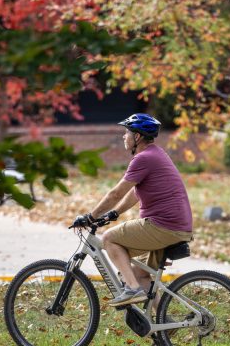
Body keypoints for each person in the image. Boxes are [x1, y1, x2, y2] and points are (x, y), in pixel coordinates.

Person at [77, 114, 193, 307]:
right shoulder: (156, 154)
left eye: (127, 132)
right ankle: (165, 326)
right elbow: (136, 192)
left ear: (137, 137)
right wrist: (115, 213)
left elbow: (115, 193)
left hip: (163, 226)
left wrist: (91, 216)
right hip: (175, 226)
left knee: (109, 239)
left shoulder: (144, 159)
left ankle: (132, 289)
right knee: (140, 274)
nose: (124, 136)